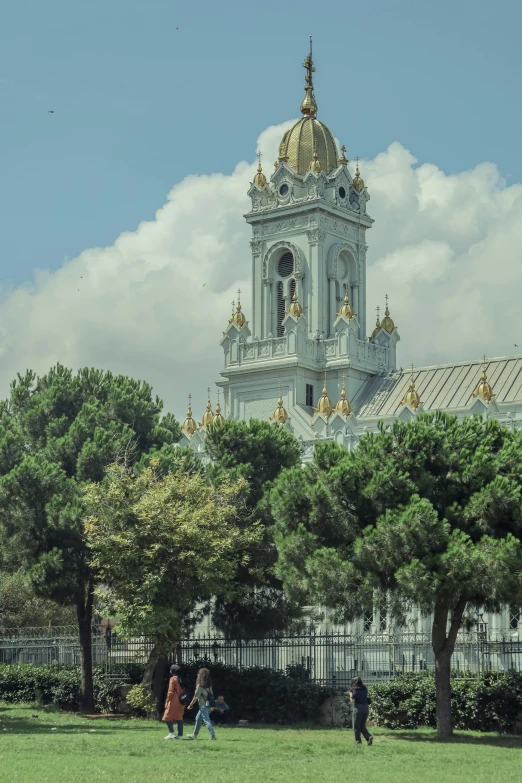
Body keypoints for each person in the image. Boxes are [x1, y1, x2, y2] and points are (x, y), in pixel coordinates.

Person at [186, 667, 216, 740]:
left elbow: (196, 697)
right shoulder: (209, 685)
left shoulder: (200, 686)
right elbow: (212, 695)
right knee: (198, 718)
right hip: (209, 705)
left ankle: (213, 735)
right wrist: (213, 705)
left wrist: (190, 705)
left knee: (206, 720)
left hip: (203, 705)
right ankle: (194, 734)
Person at [162, 664, 185, 739]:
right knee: (179, 717)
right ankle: (180, 735)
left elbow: (170, 692)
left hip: (174, 701)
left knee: (167, 716)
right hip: (182, 701)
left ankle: (171, 732)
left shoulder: (172, 679)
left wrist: (167, 701)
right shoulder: (181, 678)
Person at [349, 676, 373, 745]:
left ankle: (358, 741)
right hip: (365, 708)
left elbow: (352, 700)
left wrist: (350, 693)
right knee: (362, 725)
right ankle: (368, 737)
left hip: (358, 709)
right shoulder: (365, 689)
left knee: (356, 726)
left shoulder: (355, 690)